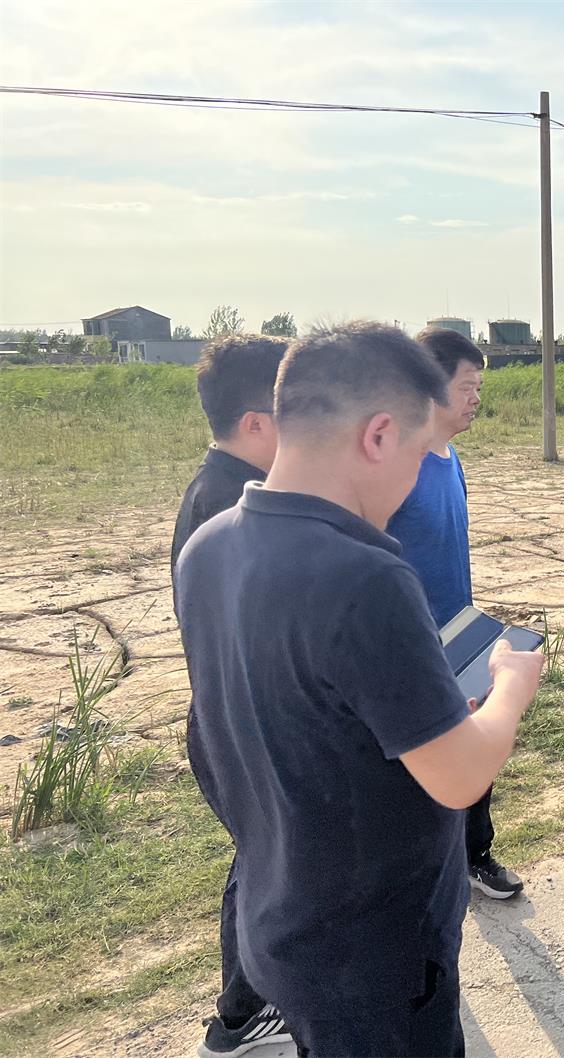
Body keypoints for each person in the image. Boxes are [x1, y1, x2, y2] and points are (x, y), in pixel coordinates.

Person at [175, 322, 544, 1056]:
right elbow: (461, 777)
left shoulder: (208, 546)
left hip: (283, 917)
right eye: (419, 452)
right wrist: (511, 686)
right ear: (378, 435)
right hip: (374, 946)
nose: (415, 478)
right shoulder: (365, 574)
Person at [169, 335, 293, 1058]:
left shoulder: (220, 488)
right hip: (239, 722)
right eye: (296, 412)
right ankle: (243, 1013)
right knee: (265, 865)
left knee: (264, 859)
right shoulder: (231, 503)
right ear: (255, 422)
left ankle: (251, 1004)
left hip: (228, 716)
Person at [386, 328, 521, 901]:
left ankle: (475, 855)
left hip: (460, 628)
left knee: (472, 743)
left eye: (479, 386)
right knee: (424, 762)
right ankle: (425, 872)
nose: (476, 398)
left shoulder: (449, 455)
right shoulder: (401, 461)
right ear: (430, 384)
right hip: (412, 638)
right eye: (467, 386)